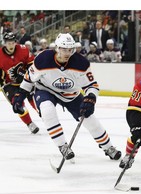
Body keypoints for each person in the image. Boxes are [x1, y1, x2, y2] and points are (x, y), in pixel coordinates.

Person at [12, 33, 121, 161]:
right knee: (47, 111)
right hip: (45, 90)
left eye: (70, 49)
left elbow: (92, 85)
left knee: (90, 120)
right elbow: (29, 78)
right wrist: (20, 94)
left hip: (71, 94)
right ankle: (62, 146)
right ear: (57, 48)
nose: (67, 53)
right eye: (64, 49)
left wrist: (91, 98)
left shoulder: (81, 63)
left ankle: (108, 147)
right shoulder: (43, 59)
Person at [0, 32, 39, 134]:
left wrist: (27, 74)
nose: (11, 45)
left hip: (25, 81)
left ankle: (45, 117)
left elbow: (31, 64)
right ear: (4, 43)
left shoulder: (23, 49)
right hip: (10, 85)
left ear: (15, 42)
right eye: (8, 43)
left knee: (34, 100)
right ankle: (29, 123)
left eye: (12, 42)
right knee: (18, 105)